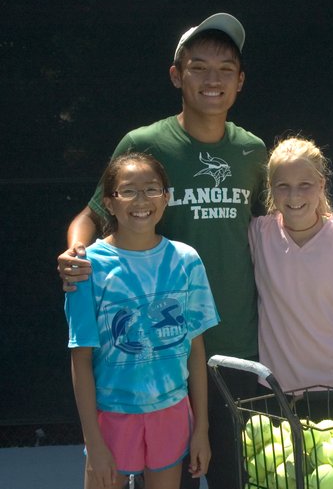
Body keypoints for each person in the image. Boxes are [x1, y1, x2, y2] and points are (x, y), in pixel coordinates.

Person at [57, 13, 267, 489]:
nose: (212, 79)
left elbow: (282, 226)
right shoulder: (144, 145)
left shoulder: (254, 152)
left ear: (240, 81)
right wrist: (75, 252)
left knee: (235, 476)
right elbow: (90, 215)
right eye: (198, 67)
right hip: (159, 355)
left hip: (235, 345)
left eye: (225, 68)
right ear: (177, 75)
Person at [66, 152, 218, 489]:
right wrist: (94, 442)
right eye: (128, 191)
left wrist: (201, 430)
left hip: (173, 412)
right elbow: (81, 358)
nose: (141, 200)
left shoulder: (187, 261)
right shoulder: (86, 267)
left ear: (166, 197)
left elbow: (195, 349)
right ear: (110, 202)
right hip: (111, 416)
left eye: (152, 189)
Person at [249, 137, 333, 415]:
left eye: (305, 185)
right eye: (283, 186)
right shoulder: (258, 233)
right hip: (276, 389)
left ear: (322, 185)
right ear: (271, 188)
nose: (294, 196)